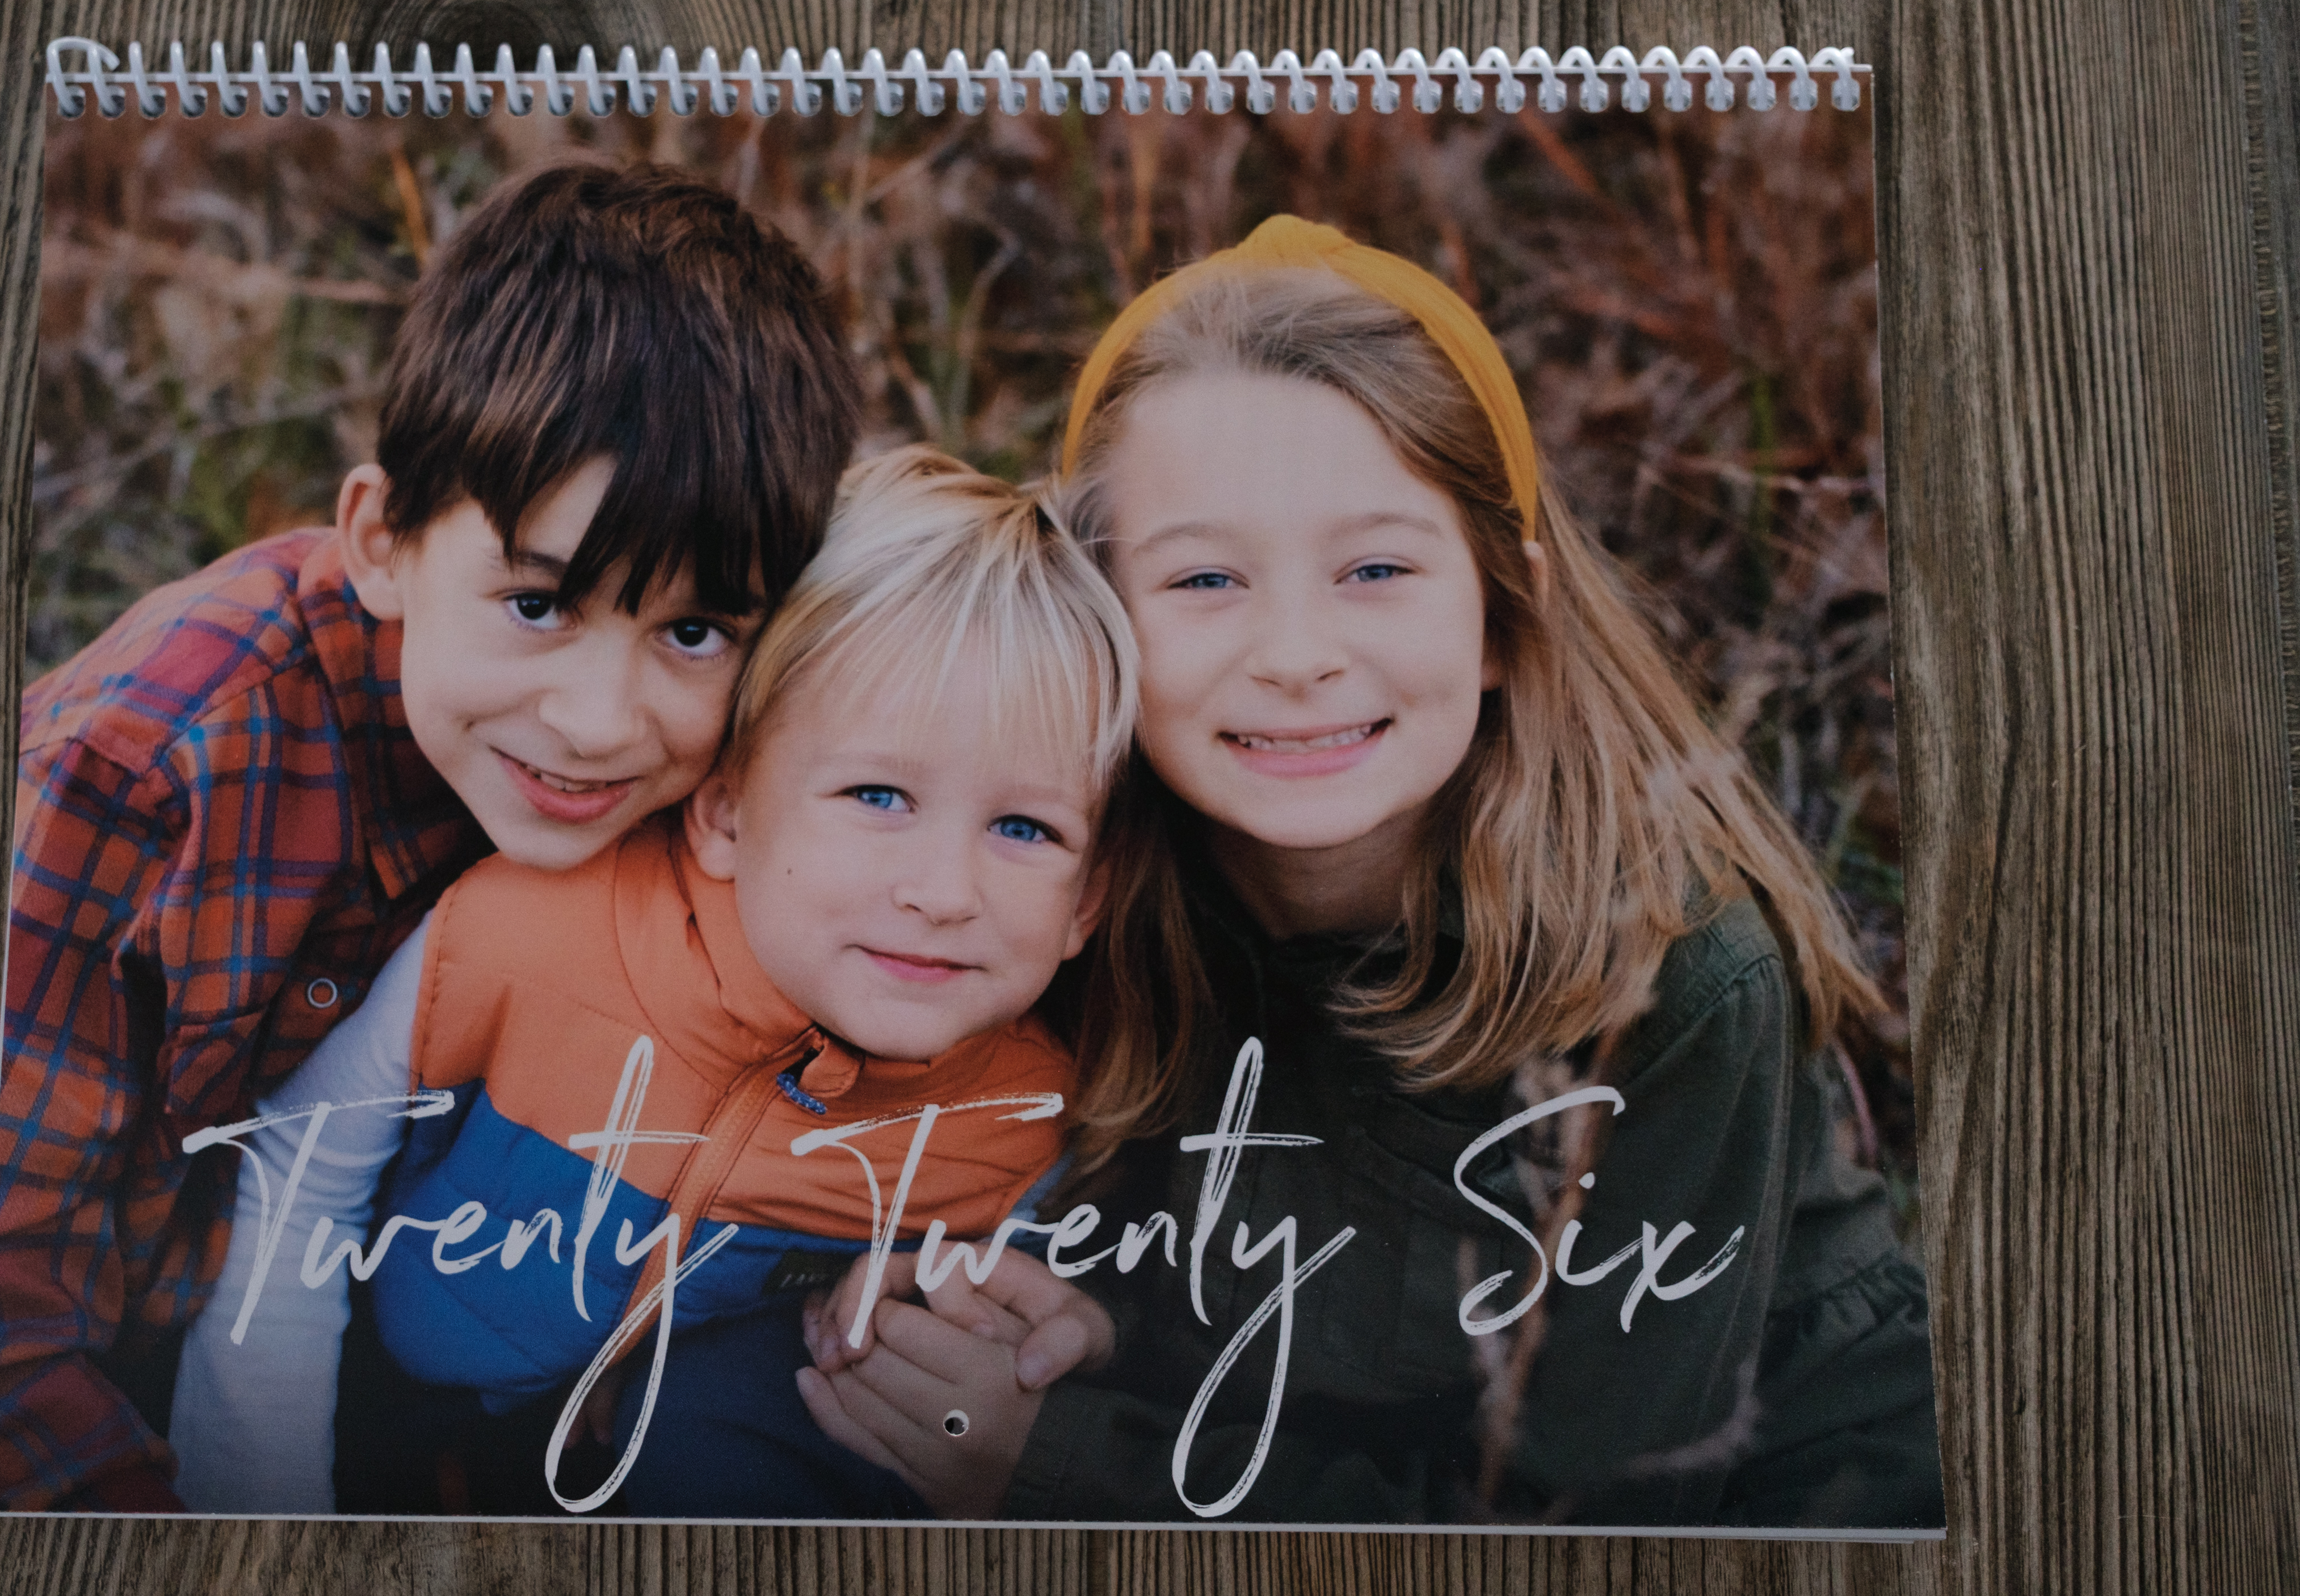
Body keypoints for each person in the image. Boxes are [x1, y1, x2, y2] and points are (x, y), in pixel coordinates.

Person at [798, 217, 1943, 1529]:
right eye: (1204, 577)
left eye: (1377, 570)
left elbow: (1582, 1526)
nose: (1296, 654)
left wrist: (1062, 1464)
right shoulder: (1064, 871)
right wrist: (1089, 1326)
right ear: (1100, 619)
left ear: (1504, 612)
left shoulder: (1667, 977)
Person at [0, 162, 861, 1511]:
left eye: (692, 629)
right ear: (382, 541)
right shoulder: (147, 779)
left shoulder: (741, 778)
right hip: (113, 1408)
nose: (599, 722)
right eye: (538, 604)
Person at [162, 449, 1140, 1517]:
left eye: (1024, 828)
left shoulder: (1027, 1121)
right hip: (369, 1403)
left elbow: (1055, 1312)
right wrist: (267, 1512)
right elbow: (298, 1186)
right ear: (725, 812)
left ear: (1088, 900)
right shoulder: (519, 935)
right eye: (877, 796)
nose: (945, 892)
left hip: (640, 1467)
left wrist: (1083, 1331)